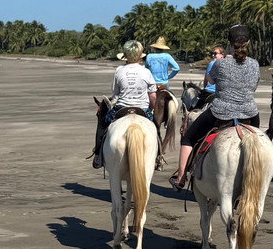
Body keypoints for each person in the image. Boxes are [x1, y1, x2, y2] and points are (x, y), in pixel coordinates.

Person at [169, 24, 260, 190]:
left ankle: (181, 178)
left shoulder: (221, 64)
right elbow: (253, 87)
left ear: (229, 43)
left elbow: (210, 81)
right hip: (249, 113)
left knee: (188, 137)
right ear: (247, 43)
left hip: (220, 112)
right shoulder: (254, 64)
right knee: (259, 142)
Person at [91, 40, 157, 169]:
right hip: (142, 108)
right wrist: (151, 108)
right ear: (140, 56)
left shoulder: (119, 71)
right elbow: (153, 95)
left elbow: (115, 94)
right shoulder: (146, 72)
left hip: (121, 108)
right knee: (155, 129)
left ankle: (98, 154)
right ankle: (159, 156)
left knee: (103, 123)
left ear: (125, 55)